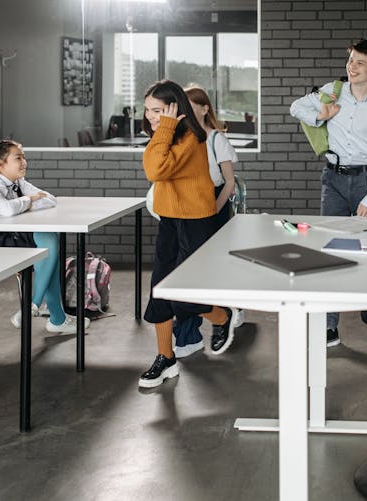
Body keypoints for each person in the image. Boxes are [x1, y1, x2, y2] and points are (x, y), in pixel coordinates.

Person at [290, 39, 367, 348]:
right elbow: (295, 107)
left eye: (360, 62)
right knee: (329, 250)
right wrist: (321, 115)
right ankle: (329, 325)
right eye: (351, 60)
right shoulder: (333, 91)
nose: (352, 66)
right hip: (334, 179)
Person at [140, 80, 236, 388]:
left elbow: (156, 170)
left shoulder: (193, 138)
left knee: (185, 297)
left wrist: (165, 128)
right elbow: (153, 165)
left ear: (174, 109)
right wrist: (163, 129)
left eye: (157, 110)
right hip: (170, 220)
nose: (151, 116)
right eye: (147, 110)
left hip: (195, 221)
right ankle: (165, 358)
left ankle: (223, 317)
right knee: (159, 291)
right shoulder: (163, 136)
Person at [0, 139, 90, 335]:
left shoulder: (17, 182)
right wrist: (29, 200)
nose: (24, 162)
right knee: (48, 249)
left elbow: (49, 199)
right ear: (0, 164)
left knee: (48, 242)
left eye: (24, 157)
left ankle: (36, 307)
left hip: (6, 233)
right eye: (18, 158)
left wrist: (26, 202)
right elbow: (6, 210)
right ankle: (52, 316)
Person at [167, 86, 242, 359]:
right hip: (185, 205)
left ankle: (219, 316)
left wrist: (211, 211)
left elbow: (229, 182)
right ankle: (189, 333)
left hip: (213, 204)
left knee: (206, 270)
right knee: (185, 270)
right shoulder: (181, 138)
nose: (184, 110)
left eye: (189, 104)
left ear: (204, 108)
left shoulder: (215, 139)